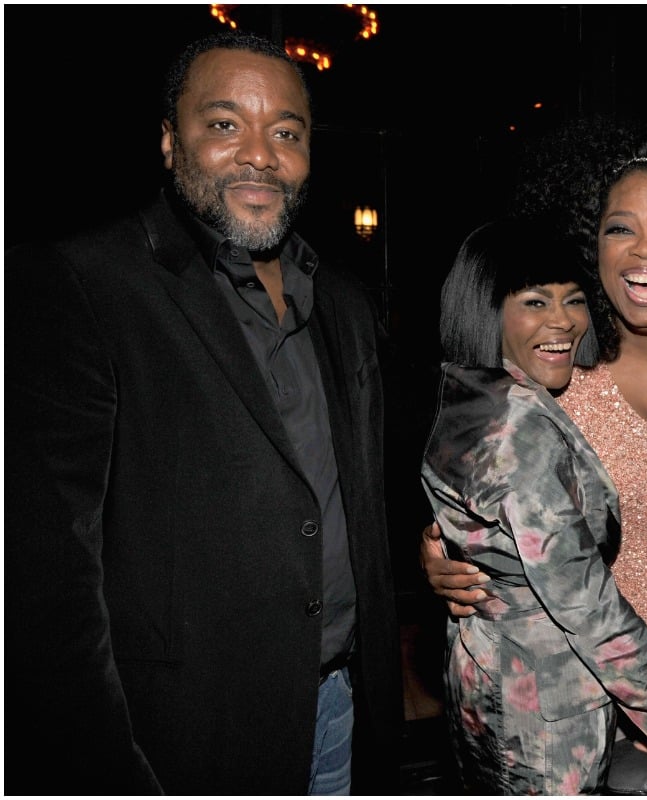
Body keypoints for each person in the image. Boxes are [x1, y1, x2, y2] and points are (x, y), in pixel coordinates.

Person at [5, 31, 403, 794]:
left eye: (286, 132)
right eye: (224, 125)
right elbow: (43, 592)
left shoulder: (343, 302)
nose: (260, 154)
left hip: (343, 712)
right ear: (167, 141)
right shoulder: (79, 285)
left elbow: (360, 497)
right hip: (179, 742)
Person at [421, 109, 647, 795]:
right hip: (567, 685)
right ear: (588, 242)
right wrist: (443, 547)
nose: (644, 251)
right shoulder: (552, 373)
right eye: (621, 227)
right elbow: (478, 474)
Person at [423, 217, 647, 795]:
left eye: (574, 300)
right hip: (545, 717)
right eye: (535, 301)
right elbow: (588, 611)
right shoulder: (517, 428)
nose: (563, 321)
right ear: (487, 308)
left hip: (486, 685)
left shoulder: (463, 392)